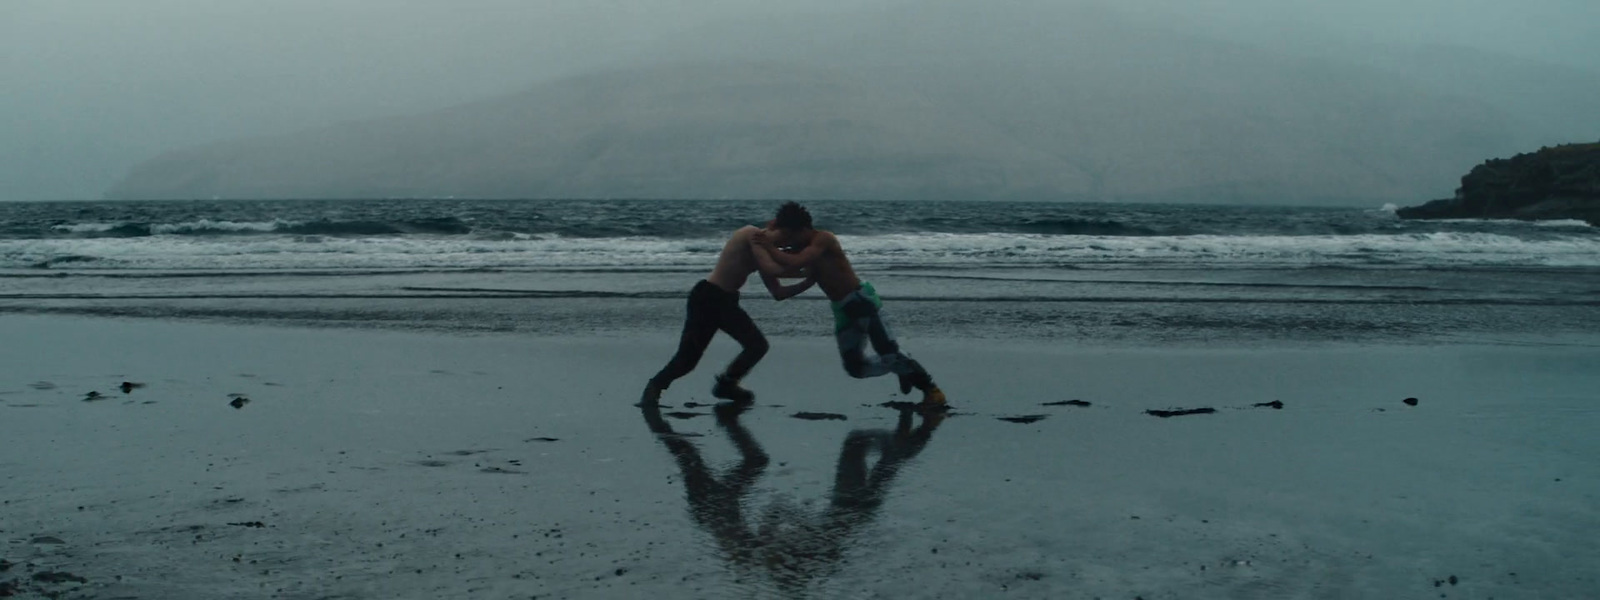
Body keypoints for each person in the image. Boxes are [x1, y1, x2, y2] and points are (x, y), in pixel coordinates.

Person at [750, 202, 946, 407]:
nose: (787, 241)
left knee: (887, 351)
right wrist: (770, 234)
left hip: (860, 300)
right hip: (842, 308)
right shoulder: (797, 245)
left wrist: (769, 246)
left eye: (790, 235)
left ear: (802, 229)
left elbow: (796, 262)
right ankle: (901, 367)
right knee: (855, 368)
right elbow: (782, 264)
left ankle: (931, 390)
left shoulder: (823, 239)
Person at [640, 217, 816, 405]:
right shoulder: (751, 234)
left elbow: (778, 293)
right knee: (686, 360)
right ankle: (654, 387)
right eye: (784, 236)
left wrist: (808, 282)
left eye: (789, 240)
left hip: (726, 302)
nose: (783, 243)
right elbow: (773, 269)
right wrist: (810, 271)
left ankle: (727, 384)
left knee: (757, 346)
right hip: (707, 298)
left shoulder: (765, 255)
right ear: (773, 224)